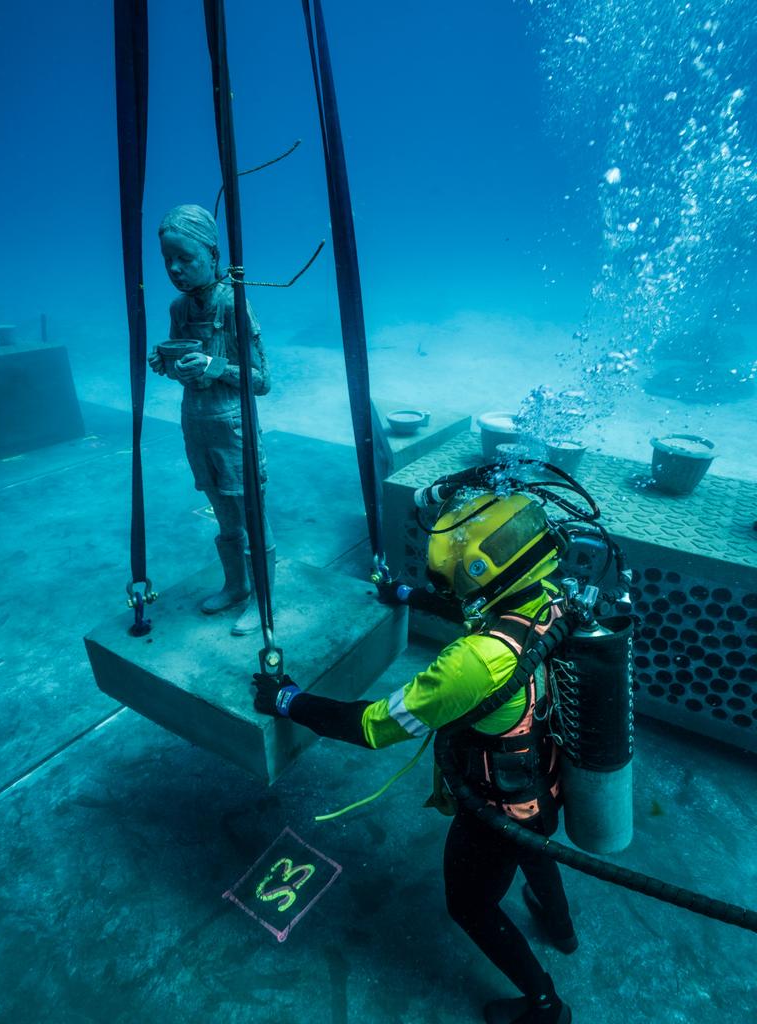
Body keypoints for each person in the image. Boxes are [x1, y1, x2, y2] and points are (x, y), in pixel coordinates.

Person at [253, 489, 576, 1024]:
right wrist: (406, 593)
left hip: (498, 809)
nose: (453, 584)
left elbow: (371, 726)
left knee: (470, 905)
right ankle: (561, 930)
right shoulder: (546, 595)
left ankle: (546, 1005)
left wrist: (287, 699)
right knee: (536, 847)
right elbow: (481, 611)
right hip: (546, 783)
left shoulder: (470, 665)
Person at [148, 204, 274, 635]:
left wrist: (211, 364)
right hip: (197, 423)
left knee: (252, 513)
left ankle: (264, 601)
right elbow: (185, 362)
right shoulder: (179, 308)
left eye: (186, 258)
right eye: (168, 260)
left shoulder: (234, 302)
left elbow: (262, 380)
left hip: (233, 424)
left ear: (213, 255)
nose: (176, 269)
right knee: (223, 513)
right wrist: (165, 364)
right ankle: (237, 586)